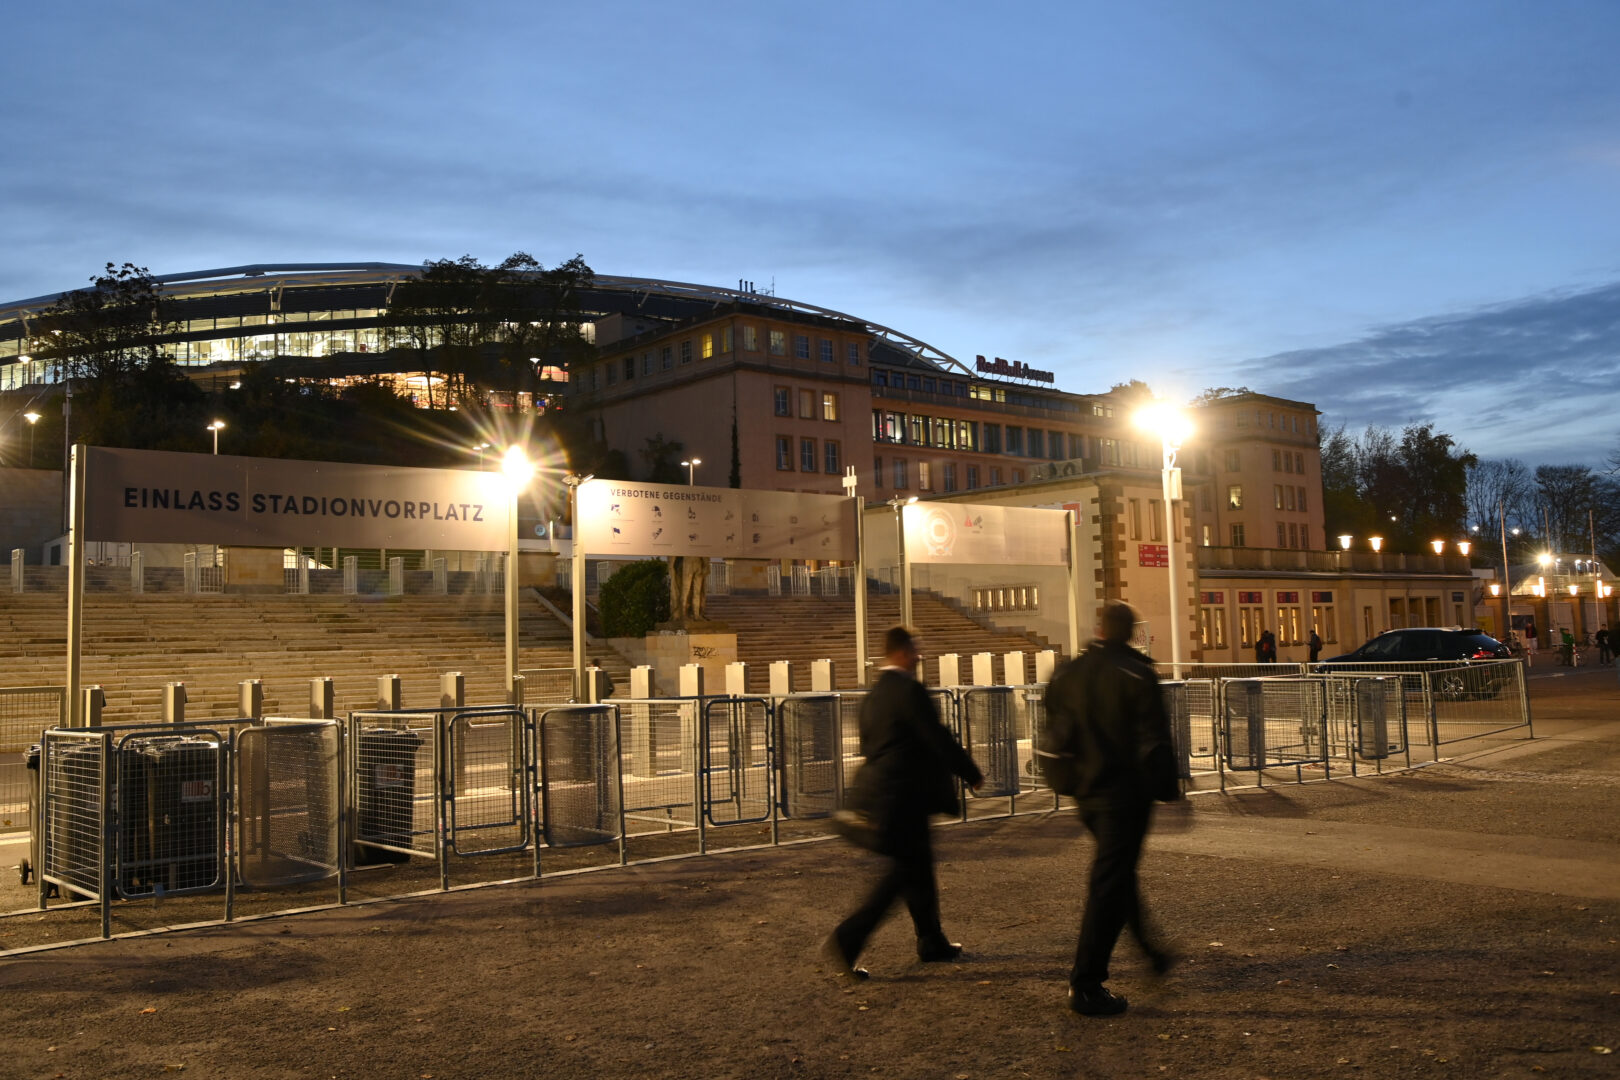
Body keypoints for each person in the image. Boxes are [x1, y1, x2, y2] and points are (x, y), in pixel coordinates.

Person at [1042, 602, 1181, 1016]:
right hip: (1124, 792)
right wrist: (1169, 790)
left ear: (1100, 629)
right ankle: (1085, 982)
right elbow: (1153, 739)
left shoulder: (1069, 672)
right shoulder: (1137, 674)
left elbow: (1053, 723)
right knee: (1110, 879)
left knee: (1116, 872)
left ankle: (1150, 951)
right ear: (1130, 632)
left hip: (1085, 789)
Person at [824, 626, 984, 980]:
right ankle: (848, 937)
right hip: (903, 796)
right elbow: (937, 737)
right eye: (915, 650)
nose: (918, 656)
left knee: (919, 867)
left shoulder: (874, 695)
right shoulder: (909, 691)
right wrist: (970, 771)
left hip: (885, 793)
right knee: (903, 873)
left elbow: (869, 745)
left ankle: (931, 939)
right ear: (901, 652)